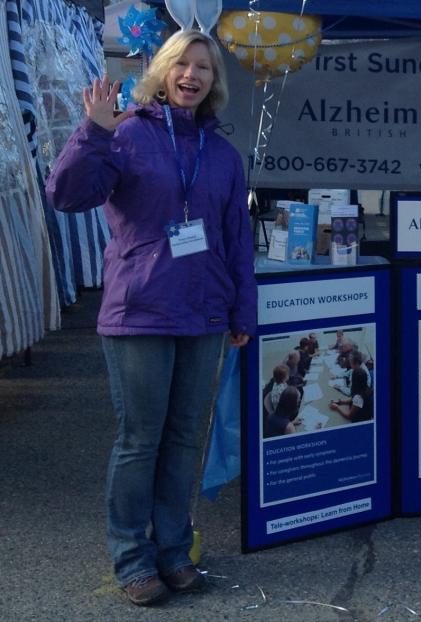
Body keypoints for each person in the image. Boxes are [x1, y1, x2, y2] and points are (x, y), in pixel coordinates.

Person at [45, 30, 256, 605]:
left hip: (205, 313)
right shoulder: (125, 133)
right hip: (138, 310)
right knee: (141, 440)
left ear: (215, 82)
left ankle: (172, 549)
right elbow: (65, 195)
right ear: (163, 70)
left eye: (204, 69)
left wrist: (243, 310)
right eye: (182, 64)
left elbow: (237, 240)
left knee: (185, 438)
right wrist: (92, 131)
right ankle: (132, 558)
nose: (192, 76)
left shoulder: (222, 154)